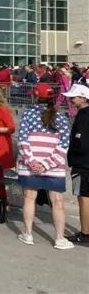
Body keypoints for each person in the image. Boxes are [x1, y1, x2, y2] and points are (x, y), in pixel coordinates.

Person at [16, 83, 73, 250]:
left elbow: (23, 141)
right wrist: (48, 163)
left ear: (35, 96)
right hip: (54, 166)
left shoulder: (28, 115)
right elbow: (64, 144)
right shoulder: (60, 117)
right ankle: (60, 238)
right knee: (57, 200)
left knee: (29, 198)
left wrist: (32, 162)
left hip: (30, 165)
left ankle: (28, 234)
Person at [63, 84, 89, 244]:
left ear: (83, 97)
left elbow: (81, 142)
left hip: (83, 164)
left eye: (74, 97)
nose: (71, 100)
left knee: (84, 198)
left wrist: (72, 154)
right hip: (85, 163)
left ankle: (85, 233)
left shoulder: (83, 116)